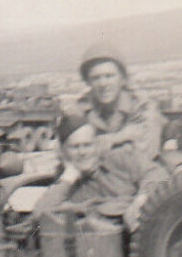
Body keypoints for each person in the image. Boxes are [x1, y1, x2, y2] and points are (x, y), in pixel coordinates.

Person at [31, 112, 169, 230]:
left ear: (96, 145)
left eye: (87, 145)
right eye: (75, 147)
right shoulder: (67, 185)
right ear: (64, 151)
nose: (82, 152)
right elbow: (39, 215)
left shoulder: (119, 158)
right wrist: (67, 180)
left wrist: (142, 198)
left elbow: (157, 173)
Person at [67, 43, 166, 160]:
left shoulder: (142, 107)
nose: (103, 84)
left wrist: (113, 139)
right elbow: (66, 152)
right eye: (96, 78)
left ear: (122, 79)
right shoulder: (80, 110)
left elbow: (142, 157)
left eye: (109, 76)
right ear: (88, 82)